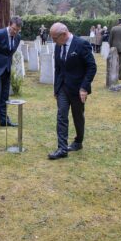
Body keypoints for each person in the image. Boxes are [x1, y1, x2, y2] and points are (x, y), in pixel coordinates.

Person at [48, 22, 97, 160]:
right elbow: (58, 69)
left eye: (55, 38)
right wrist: (56, 89)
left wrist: (84, 87)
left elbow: (92, 67)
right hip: (63, 88)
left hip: (77, 89)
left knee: (78, 117)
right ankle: (62, 149)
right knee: (61, 115)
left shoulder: (81, 44)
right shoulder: (58, 46)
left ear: (64, 34)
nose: (53, 41)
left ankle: (78, 141)